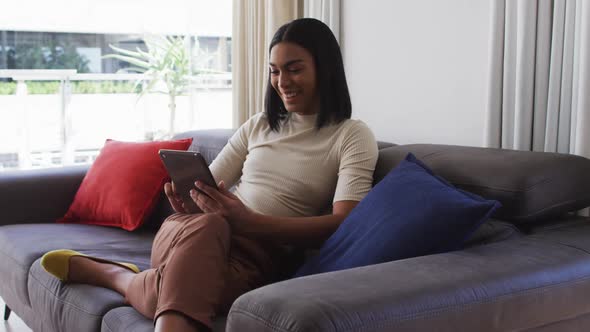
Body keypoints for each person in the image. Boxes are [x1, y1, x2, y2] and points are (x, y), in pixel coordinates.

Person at [40, 18, 378, 332]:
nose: (281, 82)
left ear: (326, 68)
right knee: (210, 224)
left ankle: (118, 277)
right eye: (274, 71)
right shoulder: (259, 125)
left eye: (294, 69)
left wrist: (250, 223)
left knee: (184, 284)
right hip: (193, 230)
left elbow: (344, 224)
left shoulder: (350, 135)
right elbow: (208, 185)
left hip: (258, 255)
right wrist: (189, 202)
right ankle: (126, 277)